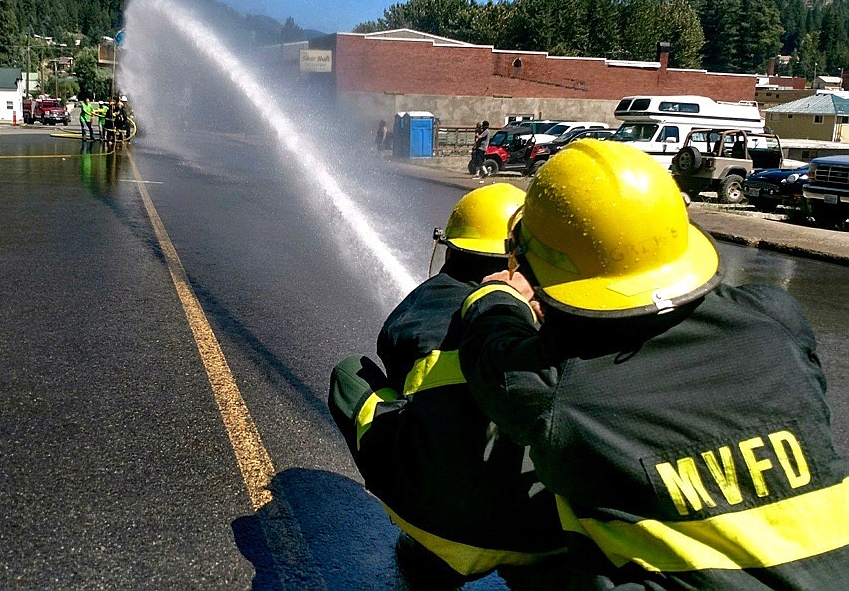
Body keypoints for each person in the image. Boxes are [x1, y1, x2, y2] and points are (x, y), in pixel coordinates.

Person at [458, 139, 849, 589]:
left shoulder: (557, 387)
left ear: (535, 265)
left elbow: (490, 354)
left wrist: (499, 294)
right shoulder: (774, 316)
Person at [329, 184, 566, 589]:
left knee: (352, 373)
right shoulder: (570, 311)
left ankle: (428, 551)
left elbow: (410, 388)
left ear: (452, 248)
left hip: (438, 523)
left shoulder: (420, 308)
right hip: (548, 533)